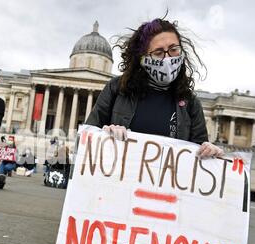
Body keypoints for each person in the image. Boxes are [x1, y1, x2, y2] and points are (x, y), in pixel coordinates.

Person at [85, 16, 224, 159]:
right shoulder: (117, 88)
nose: (167, 58)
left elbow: (199, 153)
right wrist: (103, 135)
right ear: (142, 58)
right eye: (158, 53)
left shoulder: (191, 103)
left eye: (173, 49)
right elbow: (86, 138)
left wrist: (210, 152)